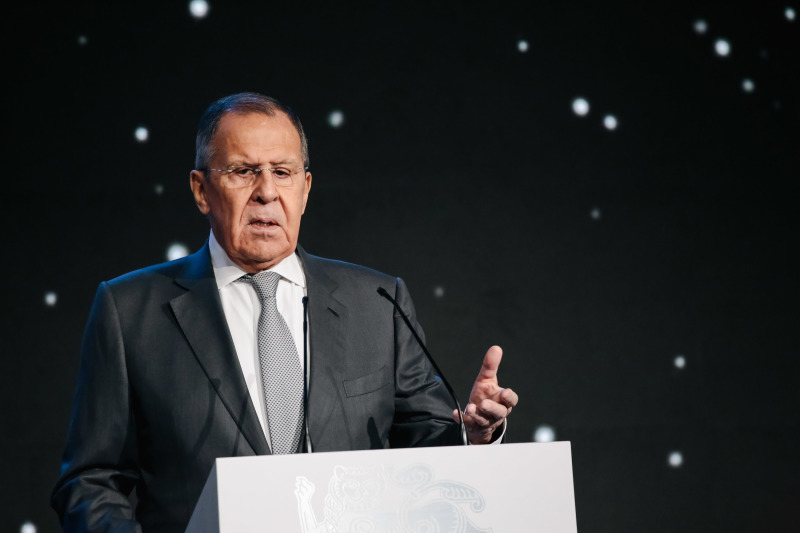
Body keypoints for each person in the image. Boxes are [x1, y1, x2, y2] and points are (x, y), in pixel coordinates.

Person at [51, 93, 518, 532]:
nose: (267, 192)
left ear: (305, 188)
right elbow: (91, 482)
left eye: (282, 171)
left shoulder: (378, 301)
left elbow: (424, 451)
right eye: (243, 171)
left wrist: (475, 436)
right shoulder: (131, 311)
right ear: (201, 189)